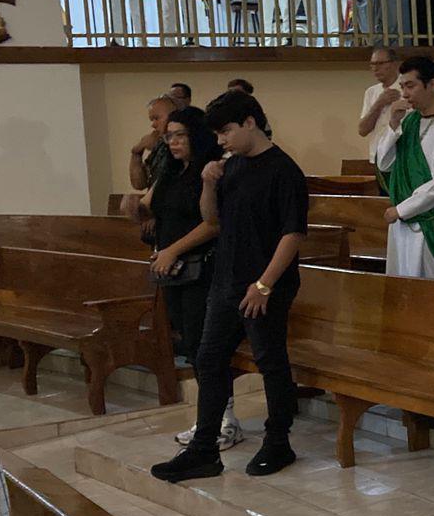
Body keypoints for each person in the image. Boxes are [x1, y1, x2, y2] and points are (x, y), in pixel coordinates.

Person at [150, 91, 309, 483]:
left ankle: (278, 441)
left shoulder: (284, 170)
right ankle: (204, 449)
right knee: (208, 358)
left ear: (251, 122)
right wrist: (207, 184)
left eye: (226, 131)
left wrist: (265, 284)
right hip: (226, 280)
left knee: (270, 361)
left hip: (265, 284)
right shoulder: (231, 166)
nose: (220, 140)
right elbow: (213, 220)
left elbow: (292, 234)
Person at [152, 107, 244, 451]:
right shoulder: (175, 171)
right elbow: (155, 206)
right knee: (192, 346)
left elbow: (212, 223)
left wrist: (172, 250)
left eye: (180, 135)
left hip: (204, 268)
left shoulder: (212, 170)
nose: (173, 142)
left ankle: (225, 420)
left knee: (209, 349)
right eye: (169, 135)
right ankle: (209, 418)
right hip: (175, 271)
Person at [375, 56, 434, 280]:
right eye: (402, 87)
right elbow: (384, 164)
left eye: (411, 86)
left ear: (432, 84)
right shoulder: (409, 121)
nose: (405, 94)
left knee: (431, 298)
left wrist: (403, 209)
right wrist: (393, 125)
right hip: (403, 225)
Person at [124, 95, 176, 235]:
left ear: (173, 115)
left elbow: (173, 184)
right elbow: (139, 183)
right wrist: (136, 153)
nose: (153, 124)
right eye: (151, 119)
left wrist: (155, 215)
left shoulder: (184, 146)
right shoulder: (158, 144)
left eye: (156, 118)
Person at [358, 48, 402, 164]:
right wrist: (379, 103)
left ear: (394, 64)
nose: (376, 69)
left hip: (401, 156)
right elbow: (362, 130)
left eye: (380, 63)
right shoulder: (371, 92)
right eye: (373, 64)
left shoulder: (407, 87)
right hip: (377, 156)